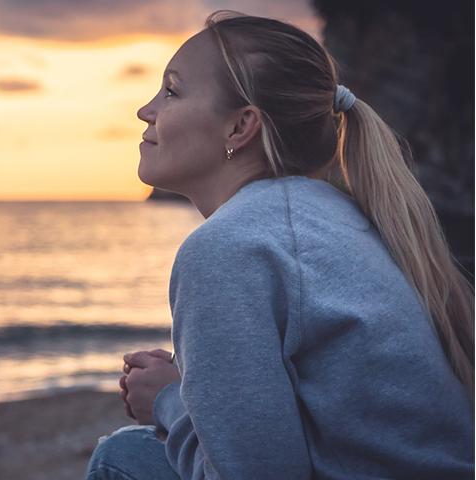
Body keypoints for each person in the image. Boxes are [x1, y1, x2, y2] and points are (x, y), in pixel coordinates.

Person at [85, 10, 474, 480]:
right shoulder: (336, 216)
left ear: (240, 127)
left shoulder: (229, 248)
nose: (146, 111)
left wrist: (169, 401)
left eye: (172, 91)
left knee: (121, 457)